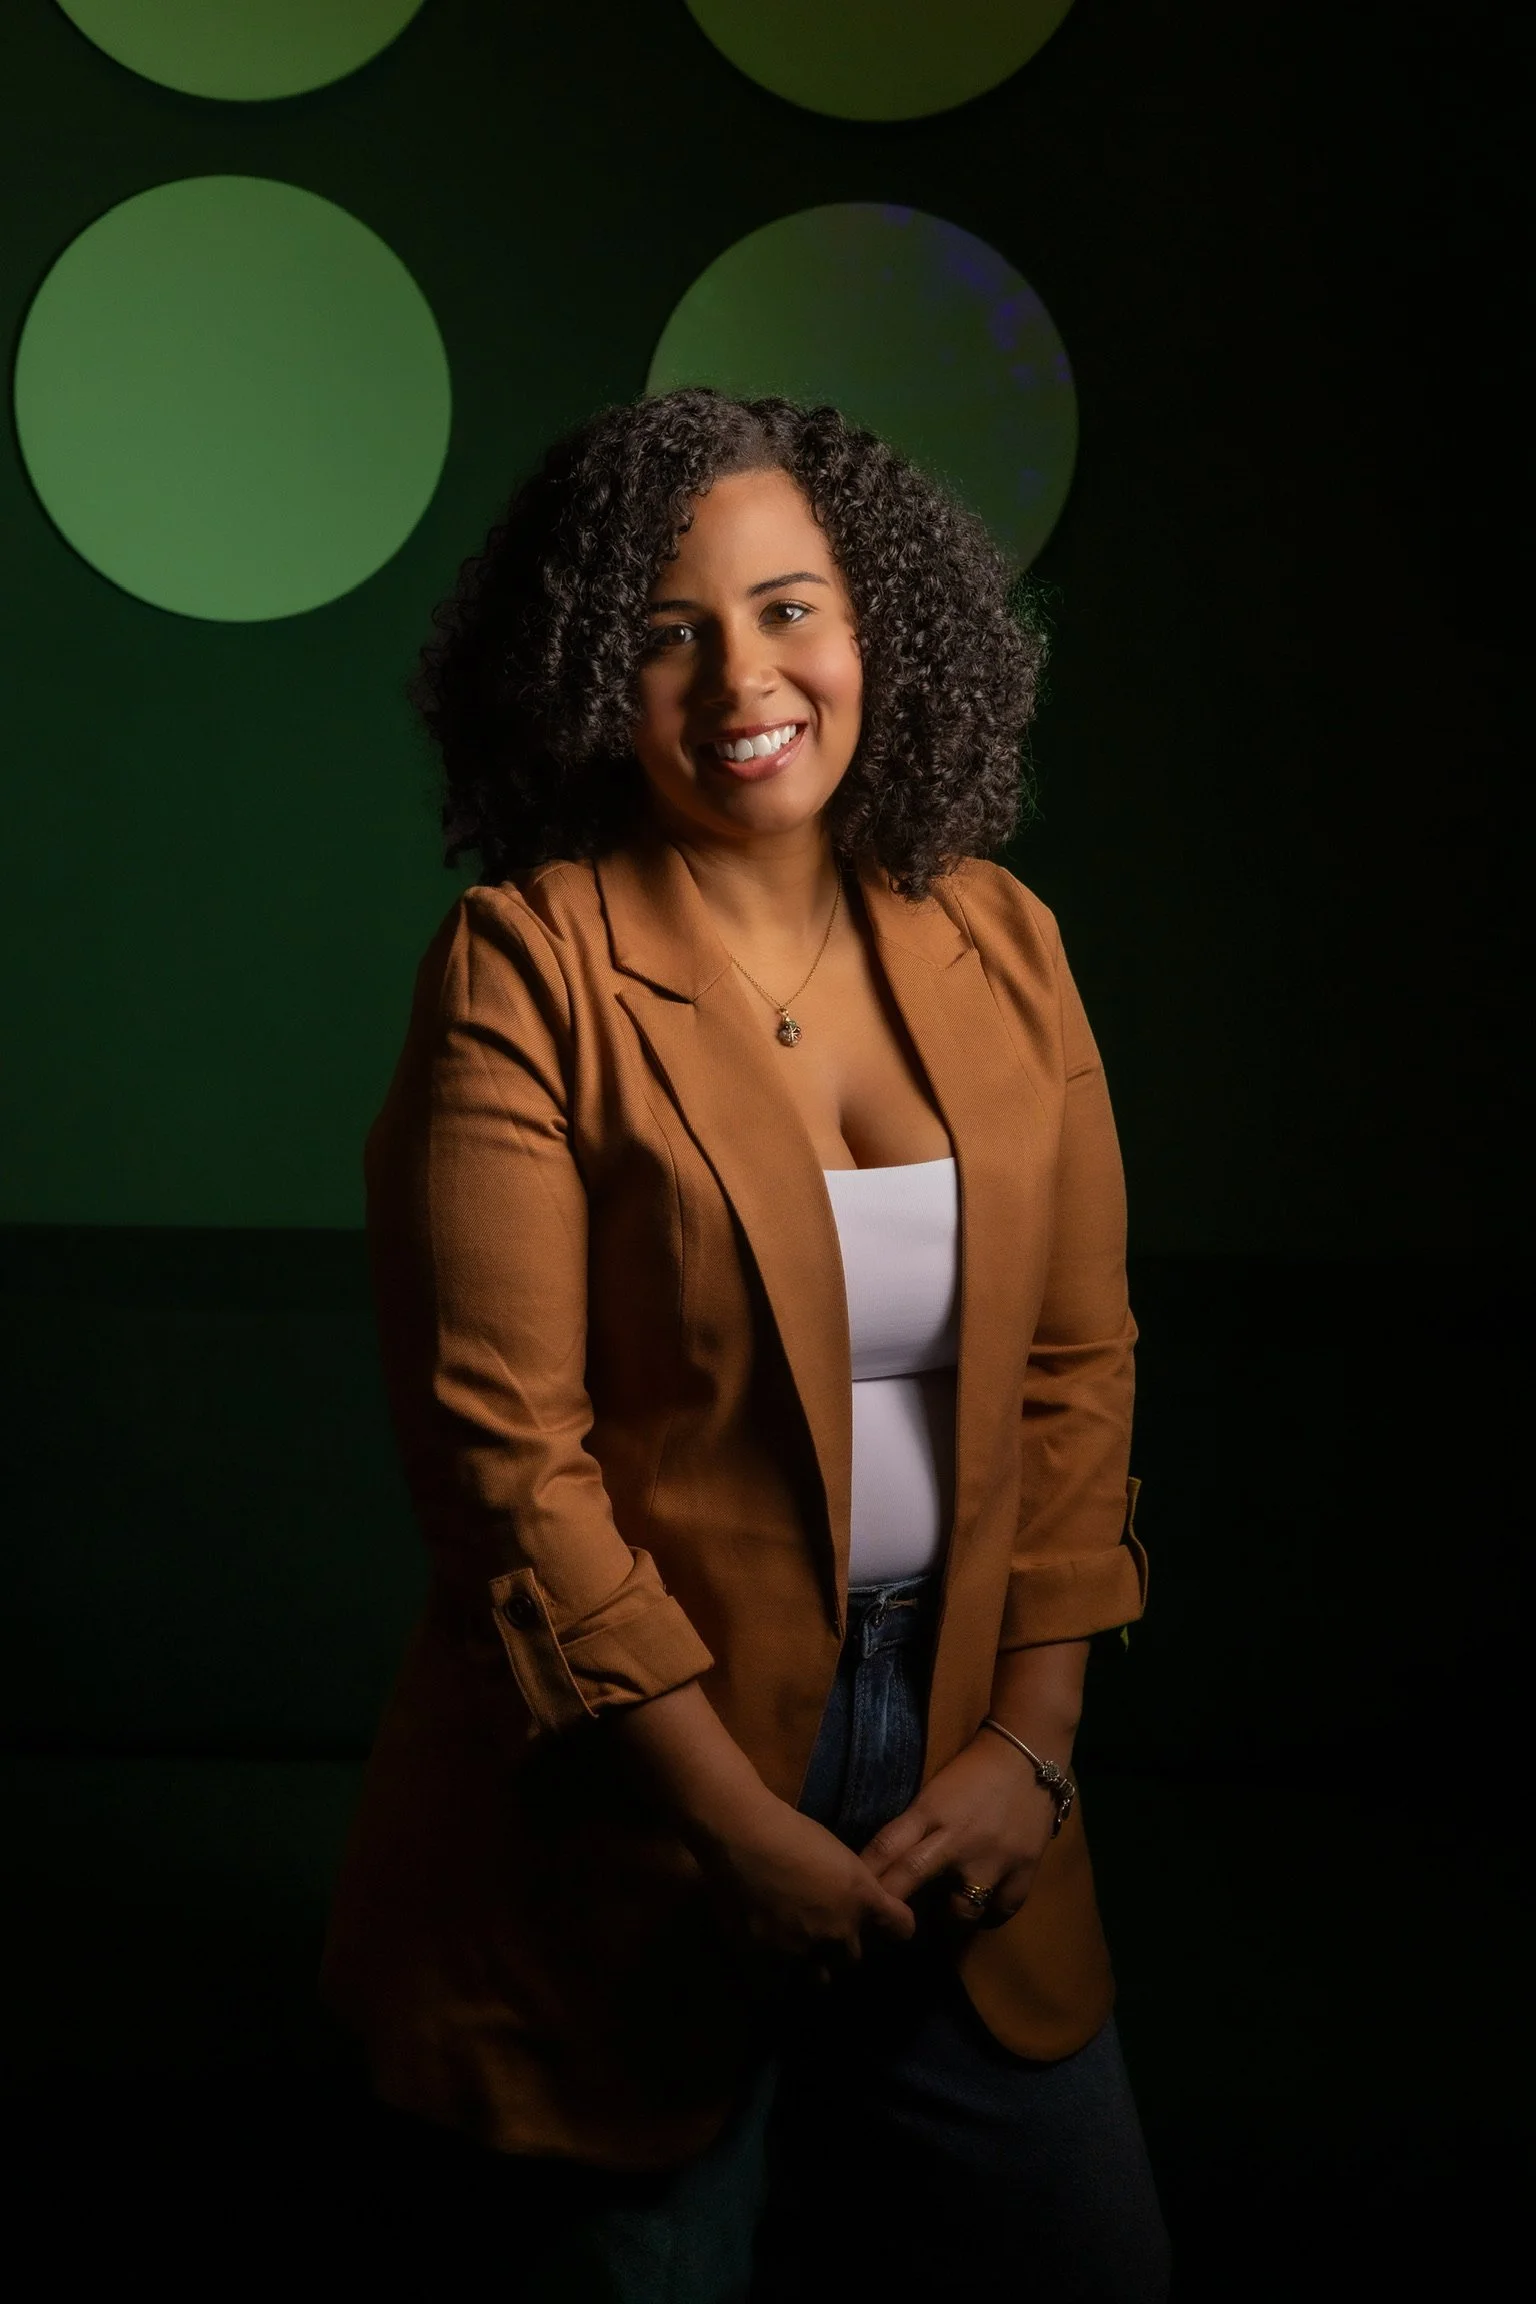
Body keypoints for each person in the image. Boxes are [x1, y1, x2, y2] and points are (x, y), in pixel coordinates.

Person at [322, 387, 1169, 2301]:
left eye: (790, 607)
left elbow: (1074, 1372)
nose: (743, 678)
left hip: (969, 1765)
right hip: (631, 1811)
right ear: (575, 675)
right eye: (664, 630)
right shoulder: (522, 975)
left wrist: (1036, 1745)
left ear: (880, 627)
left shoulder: (1007, 943)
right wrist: (728, 1823)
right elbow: (507, 1474)